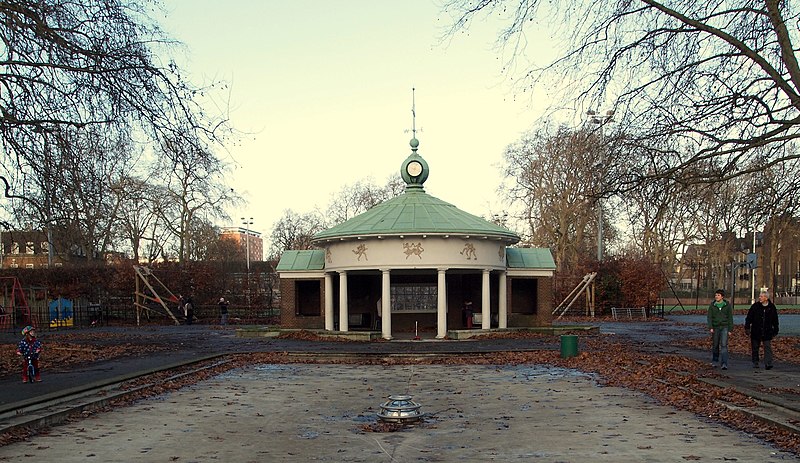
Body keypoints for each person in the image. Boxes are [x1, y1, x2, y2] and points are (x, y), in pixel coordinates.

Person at [745, 291, 780, 369]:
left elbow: (775, 320)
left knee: (767, 347)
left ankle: (768, 363)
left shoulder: (771, 307)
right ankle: (755, 362)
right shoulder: (755, 307)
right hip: (756, 330)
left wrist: (775, 329)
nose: (759, 298)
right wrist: (747, 327)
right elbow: (749, 318)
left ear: (766, 298)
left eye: (761, 296)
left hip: (767, 331)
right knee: (755, 347)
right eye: (760, 296)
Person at [707, 289, 733, 370]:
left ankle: (724, 363)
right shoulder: (712, 305)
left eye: (718, 295)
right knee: (715, 345)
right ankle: (715, 360)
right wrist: (710, 327)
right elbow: (709, 317)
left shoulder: (727, 305)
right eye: (716, 295)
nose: (716, 297)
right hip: (715, 327)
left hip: (724, 327)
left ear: (722, 297)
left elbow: (730, 318)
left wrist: (730, 329)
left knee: (724, 345)